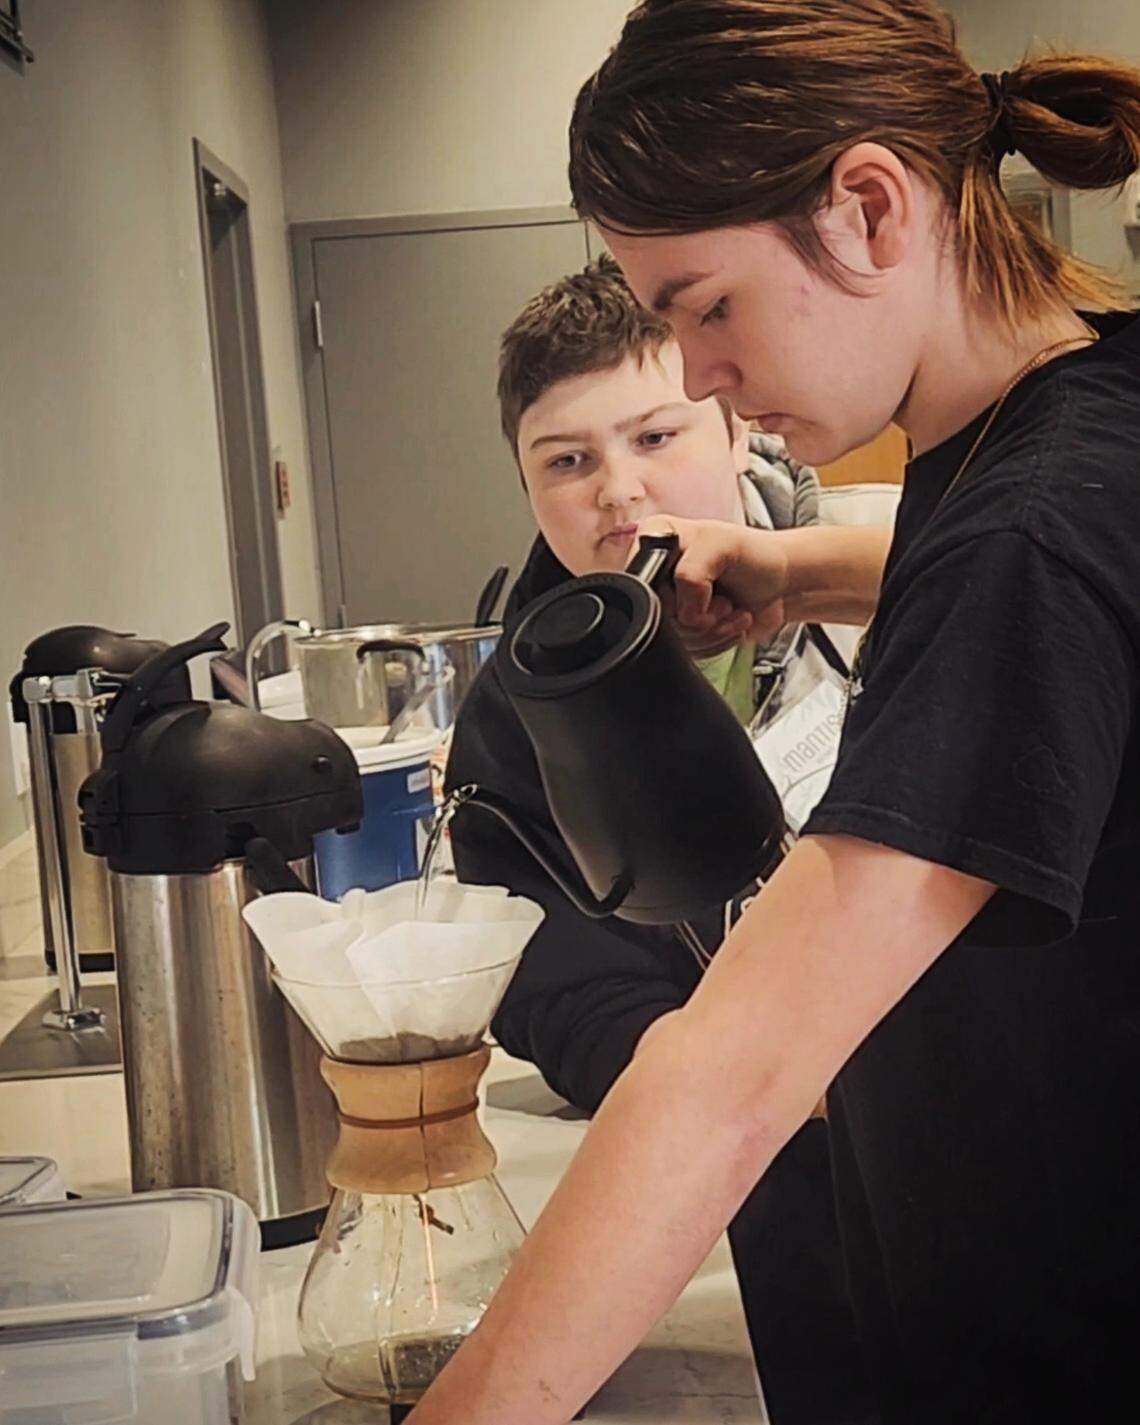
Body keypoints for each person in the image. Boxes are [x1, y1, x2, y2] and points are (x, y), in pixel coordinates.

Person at [412, 4, 1140, 1422]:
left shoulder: (1028, 532)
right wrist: (799, 568)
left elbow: (734, 1076)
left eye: (707, 306)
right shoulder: (1073, 407)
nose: (694, 375)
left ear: (870, 208)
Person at [445, 255, 891, 1422]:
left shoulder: (889, 588)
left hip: (991, 1127)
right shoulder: (516, 715)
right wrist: (720, 1074)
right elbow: (550, 983)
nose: (619, 493)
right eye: (568, 461)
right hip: (770, 1184)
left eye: (655, 438)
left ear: (738, 428)